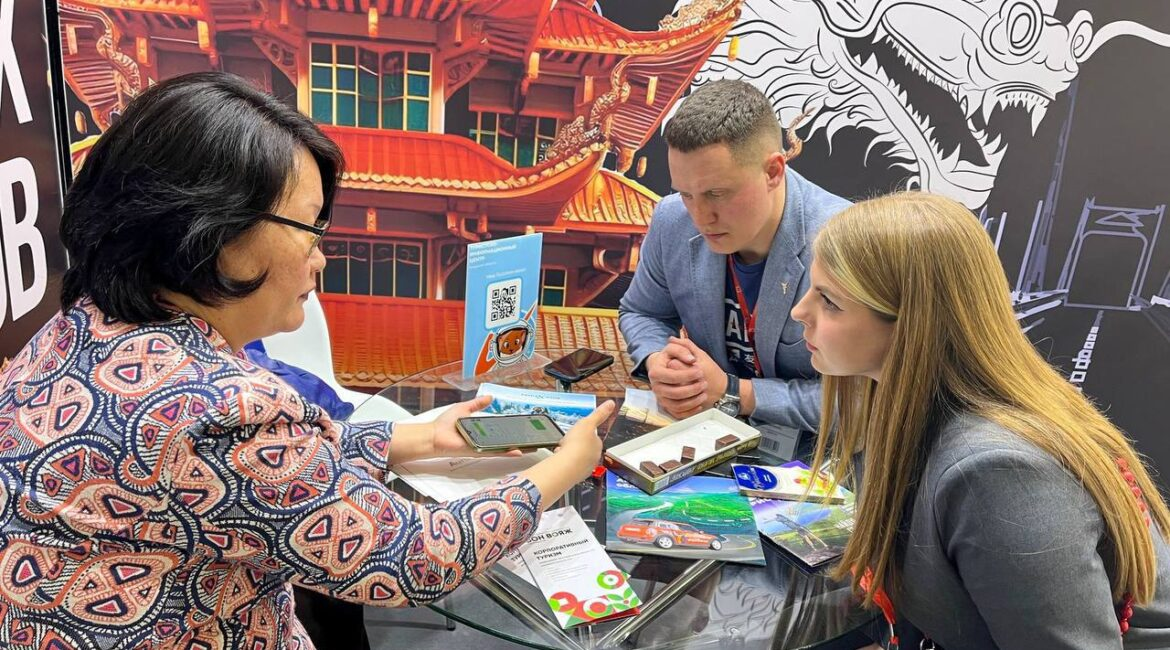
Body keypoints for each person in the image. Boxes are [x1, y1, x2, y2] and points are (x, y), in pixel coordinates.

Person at [0, 71, 613, 649]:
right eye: (308, 229)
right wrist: (565, 464)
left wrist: (420, 438)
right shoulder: (222, 408)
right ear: (215, 230)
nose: (321, 257)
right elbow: (418, 556)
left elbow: (251, 479)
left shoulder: (76, 327)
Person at [790, 192, 1170, 649]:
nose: (800, 312)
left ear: (913, 324)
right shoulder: (900, 406)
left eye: (830, 301)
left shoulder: (998, 476)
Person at [618, 79, 849, 459]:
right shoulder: (673, 220)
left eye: (717, 194)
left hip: (821, 457)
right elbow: (642, 311)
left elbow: (867, 400)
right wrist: (660, 360)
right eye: (686, 193)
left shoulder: (843, 241)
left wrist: (734, 391)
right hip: (704, 439)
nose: (700, 216)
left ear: (773, 171)